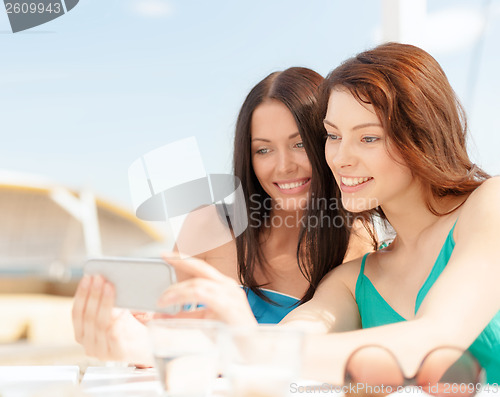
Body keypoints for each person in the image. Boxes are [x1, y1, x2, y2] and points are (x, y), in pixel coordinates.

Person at [159, 43, 500, 382]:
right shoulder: (354, 279)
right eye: (333, 136)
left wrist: (252, 346)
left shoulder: (490, 204)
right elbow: (294, 337)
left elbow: (432, 343)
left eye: (368, 138)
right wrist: (139, 343)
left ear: (422, 134)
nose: (339, 158)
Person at [72, 67, 372, 363]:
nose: (283, 166)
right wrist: (129, 331)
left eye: (299, 144)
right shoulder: (206, 224)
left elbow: (329, 359)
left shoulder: (357, 246)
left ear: (329, 141)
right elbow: (160, 337)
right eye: (263, 150)